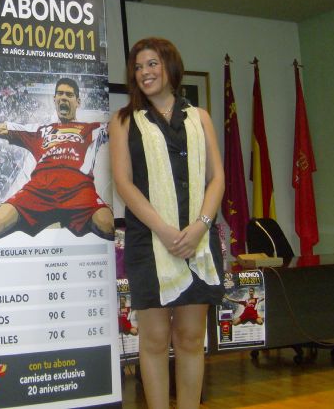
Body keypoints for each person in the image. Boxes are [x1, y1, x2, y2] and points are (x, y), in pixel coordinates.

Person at [109, 38, 224, 409]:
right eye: (138, 67)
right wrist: (163, 229)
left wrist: (201, 226)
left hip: (197, 241)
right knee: (155, 339)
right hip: (150, 241)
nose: (144, 72)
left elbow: (217, 179)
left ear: (170, 66)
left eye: (152, 64)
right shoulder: (123, 121)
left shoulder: (200, 117)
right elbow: (123, 184)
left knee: (190, 337)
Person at [0, 78, 114, 240]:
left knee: (108, 227)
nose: (63, 98)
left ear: (78, 101)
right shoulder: (38, 130)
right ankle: (3, 211)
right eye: (60, 94)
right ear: (54, 100)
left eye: (69, 95)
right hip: (39, 191)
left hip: (79, 191)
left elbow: (121, 128)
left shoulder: (95, 129)